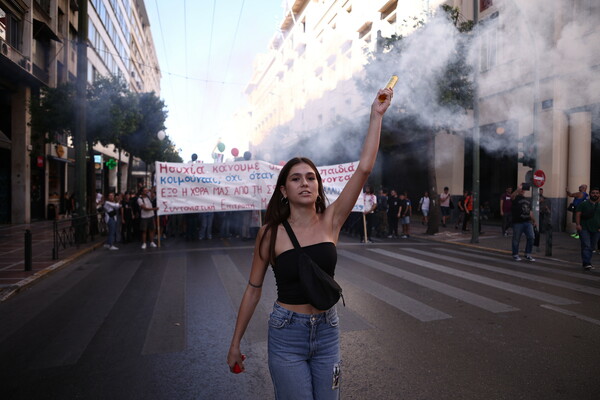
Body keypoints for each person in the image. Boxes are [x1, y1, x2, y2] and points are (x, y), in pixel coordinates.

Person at [226, 87, 392, 399]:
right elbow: (253, 288)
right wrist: (235, 343)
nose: (305, 182)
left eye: (311, 177)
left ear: (318, 186)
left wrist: (375, 116)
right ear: (283, 191)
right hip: (286, 333)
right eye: (296, 178)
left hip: (328, 331)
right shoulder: (269, 233)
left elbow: (364, 167)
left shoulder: (332, 220)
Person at [575, 187, 600, 271]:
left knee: (592, 246)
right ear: (590, 194)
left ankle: (587, 261)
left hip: (596, 229)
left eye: (597, 193)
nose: (595, 194)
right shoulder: (584, 204)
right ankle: (586, 263)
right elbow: (578, 214)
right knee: (586, 245)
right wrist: (578, 224)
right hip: (584, 227)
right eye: (593, 193)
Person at [510, 185, 536, 261]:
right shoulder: (515, 198)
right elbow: (512, 196)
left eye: (523, 190)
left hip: (527, 222)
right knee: (516, 239)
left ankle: (528, 254)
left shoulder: (527, 200)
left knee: (531, 237)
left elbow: (530, 211)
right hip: (518, 222)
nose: (522, 191)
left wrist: (534, 220)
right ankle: (515, 254)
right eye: (521, 190)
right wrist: (517, 189)